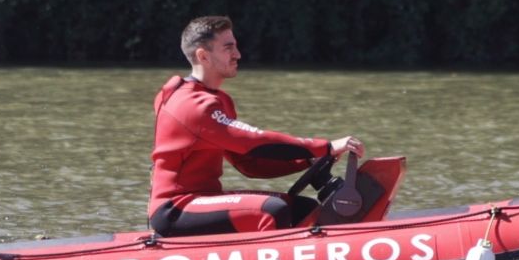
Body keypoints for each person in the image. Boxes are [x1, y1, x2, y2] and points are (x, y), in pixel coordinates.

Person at [148, 16, 364, 236]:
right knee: (273, 211)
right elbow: (254, 142)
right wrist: (325, 147)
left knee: (302, 209)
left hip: (202, 200)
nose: (238, 55)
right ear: (204, 56)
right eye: (228, 48)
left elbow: (249, 164)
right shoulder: (192, 105)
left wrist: (307, 160)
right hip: (175, 209)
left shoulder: (219, 100)